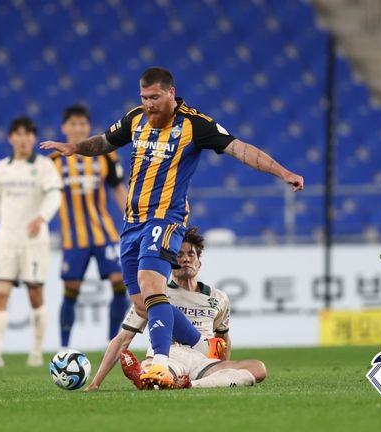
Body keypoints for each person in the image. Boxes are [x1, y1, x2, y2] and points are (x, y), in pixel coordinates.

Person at [41, 67, 303, 388]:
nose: (148, 104)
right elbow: (106, 142)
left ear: (170, 93)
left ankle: (160, 364)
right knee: (141, 303)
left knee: (151, 284)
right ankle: (201, 346)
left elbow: (240, 149)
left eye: (154, 97)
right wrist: (74, 147)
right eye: (144, 97)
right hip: (131, 224)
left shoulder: (195, 124)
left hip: (166, 219)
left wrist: (283, 172)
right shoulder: (135, 119)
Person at [85, 227, 266, 391]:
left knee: (258, 369)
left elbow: (223, 337)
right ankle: (158, 378)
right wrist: (96, 382)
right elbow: (123, 339)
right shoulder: (155, 293)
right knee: (152, 371)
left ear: (199, 263)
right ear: (169, 263)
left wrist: (220, 367)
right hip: (169, 354)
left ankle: (188, 385)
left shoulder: (218, 298)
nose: (186, 259)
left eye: (191, 255)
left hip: (202, 360)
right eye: (179, 255)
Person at [0, 117, 62, 367]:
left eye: (28, 134)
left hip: (33, 242)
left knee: (35, 294)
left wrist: (41, 218)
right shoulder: (2, 167)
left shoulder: (44, 166)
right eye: (18, 134)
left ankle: (35, 352)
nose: (23, 139)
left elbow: (55, 197)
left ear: (33, 139)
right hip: (5, 241)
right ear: (10, 138)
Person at [51, 105, 130, 348]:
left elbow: (117, 187)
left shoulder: (106, 156)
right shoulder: (53, 161)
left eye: (82, 124)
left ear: (88, 127)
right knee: (72, 287)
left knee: (119, 282)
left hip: (103, 232)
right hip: (73, 237)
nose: (77, 128)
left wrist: (130, 213)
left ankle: (111, 341)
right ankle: (64, 347)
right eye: (72, 124)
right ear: (65, 128)